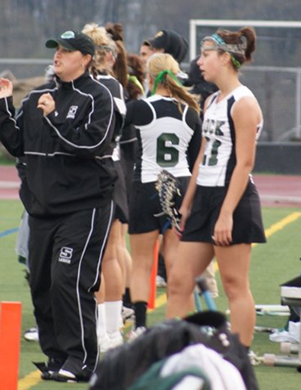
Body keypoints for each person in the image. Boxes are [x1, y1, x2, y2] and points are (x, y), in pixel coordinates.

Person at [0, 30, 116, 382]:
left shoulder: (99, 97)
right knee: (42, 283)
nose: (58, 56)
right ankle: (56, 356)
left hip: (84, 206)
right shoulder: (37, 97)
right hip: (43, 209)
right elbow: (17, 144)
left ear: (86, 58)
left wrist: (54, 117)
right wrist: (4, 106)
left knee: (69, 279)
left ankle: (80, 360)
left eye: (67, 50)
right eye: (56, 50)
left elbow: (90, 145)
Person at [165, 27, 266, 348]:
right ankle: (174, 353)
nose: (199, 61)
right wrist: (187, 202)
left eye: (206, 55)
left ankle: (239, 356)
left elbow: (244, 163)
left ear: (226, 58)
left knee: (235, 284)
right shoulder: (211, 100)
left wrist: (225, 215)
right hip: (205, 198)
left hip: (232, 199)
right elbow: (202, 158)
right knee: (179, 280)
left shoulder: (244, 103)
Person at [125, 53, 202, 338]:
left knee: (142, 262)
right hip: (180, 187)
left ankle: (141, 327)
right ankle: (177, 326)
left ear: (149, 76)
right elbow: (195, 160)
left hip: (147, 185)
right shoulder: (191, 111)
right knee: (175, 261)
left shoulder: (139, 108)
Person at [81, 22, 128, 352]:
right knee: (114, 251)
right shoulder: (115, 85)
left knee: (103, 255)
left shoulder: (96, 87)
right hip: (114, 169)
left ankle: (105, 328)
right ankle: (111, 327)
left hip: (97, 171)